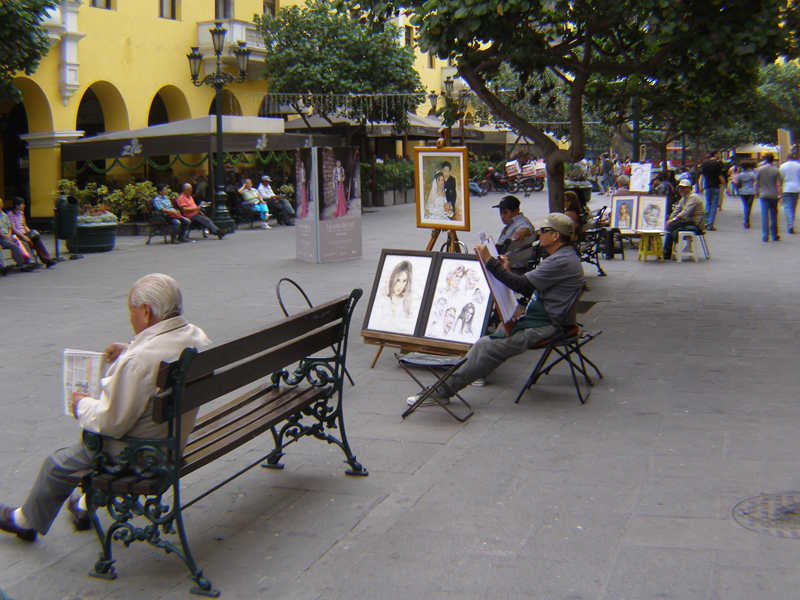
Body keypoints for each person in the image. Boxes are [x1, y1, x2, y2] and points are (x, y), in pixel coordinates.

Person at [0, 274, 210, 541]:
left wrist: (82, 405)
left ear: (145, 311)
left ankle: (25, 521)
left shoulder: (138, 361)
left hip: (142, 453)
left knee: (57, 464)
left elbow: (112, 423)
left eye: (131, 312)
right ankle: (85, 505)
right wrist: (130, 348)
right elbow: (157, 354)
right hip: (173, 440)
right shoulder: (196, 337)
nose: (131, 318)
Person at [406, 213, 584, 405]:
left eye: (543, 231)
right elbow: (528, 285)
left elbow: (522, 285)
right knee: (495, 335)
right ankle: (475, 371)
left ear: (555, 236)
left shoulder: (560, 261)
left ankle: (442, 391)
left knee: (485, 345)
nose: (539, 234)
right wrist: (505, 270)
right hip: (544, 316)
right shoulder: (563, 256)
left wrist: (489, 260)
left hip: (549, 324)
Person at [662, 179, 705, 259]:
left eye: (684, 188)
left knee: (672, 225)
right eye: (680, 188)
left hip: (696, 223)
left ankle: (667, 252)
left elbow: (685, 212)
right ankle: (667, 251)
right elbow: (677, 210)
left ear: (689, 188)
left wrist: (673, 220)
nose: (681, 189)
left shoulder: (693, 197)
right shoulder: (684, 198)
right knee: (671, 224)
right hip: (689, 221)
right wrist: (669, 220)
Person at [7, 197, 56, 267]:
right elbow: (13, 228)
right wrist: (22, 236)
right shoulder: (10, 214)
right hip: (17, 235)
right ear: (17, 206)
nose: (24, 206)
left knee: (37, 239)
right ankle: (31, 261)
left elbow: (24, 225)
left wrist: (29, 232)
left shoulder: (21, 213)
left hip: (24, 232)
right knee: (28, 242)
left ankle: (47, 260)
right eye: (22, 204)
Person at [372, 260, 416, 333]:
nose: (400, 285)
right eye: (398, 280)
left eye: (404, 281)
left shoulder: (408, 304)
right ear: (393, 279)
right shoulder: (383, 300)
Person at [756, 152, 782, 242]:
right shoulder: (776, 170)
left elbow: (757, 182)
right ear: (773, 160)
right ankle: (774, 234)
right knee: (774, 215)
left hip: (764, 195)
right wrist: (780, 195)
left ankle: (765, 236)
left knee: (765, 215)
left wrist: (757, 192)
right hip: (774, 195)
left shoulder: (760, 169)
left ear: (765, 159)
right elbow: (778, 184)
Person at [0, 206, 35, 273]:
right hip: (2, 238)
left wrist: (9, 235)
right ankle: (21, 264)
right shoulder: (8, 214)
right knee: (13, 245)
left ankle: (30, 261)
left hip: (8, 236)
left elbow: (9, 227)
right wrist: (6, 237)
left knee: (23, 243)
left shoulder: (4, 215)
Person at [700, 150, 725, 231]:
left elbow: (702, 176)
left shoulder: (705, 163)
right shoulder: (717, 164)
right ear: (715, 154)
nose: (720, 155)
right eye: (719, 153)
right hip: (715, 187)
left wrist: (701, 186)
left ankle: (705, 223)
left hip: (707, 186)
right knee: (714, 205)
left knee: (708, 204)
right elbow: (720, 176)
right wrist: (726, 186)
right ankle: (710, 224)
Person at [779, 152, 800, 234]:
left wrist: (779, 193)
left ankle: (790, 225)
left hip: (786, 188)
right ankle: (791, 223)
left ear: (787, 158)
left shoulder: (782, 166)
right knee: (793, 208)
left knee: (787, 207)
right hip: (796, 189)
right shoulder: (798, 165)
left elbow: (780, 179)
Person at [736, 161, 757, 229]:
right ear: (748, 167)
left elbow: (738, 183)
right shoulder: (752, 174)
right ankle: (746, 220)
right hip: (751, 191)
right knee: (749, 207)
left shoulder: (740, 175)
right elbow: (756, 181)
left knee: (745, 206)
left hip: (743, 191)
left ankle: (746, 220)